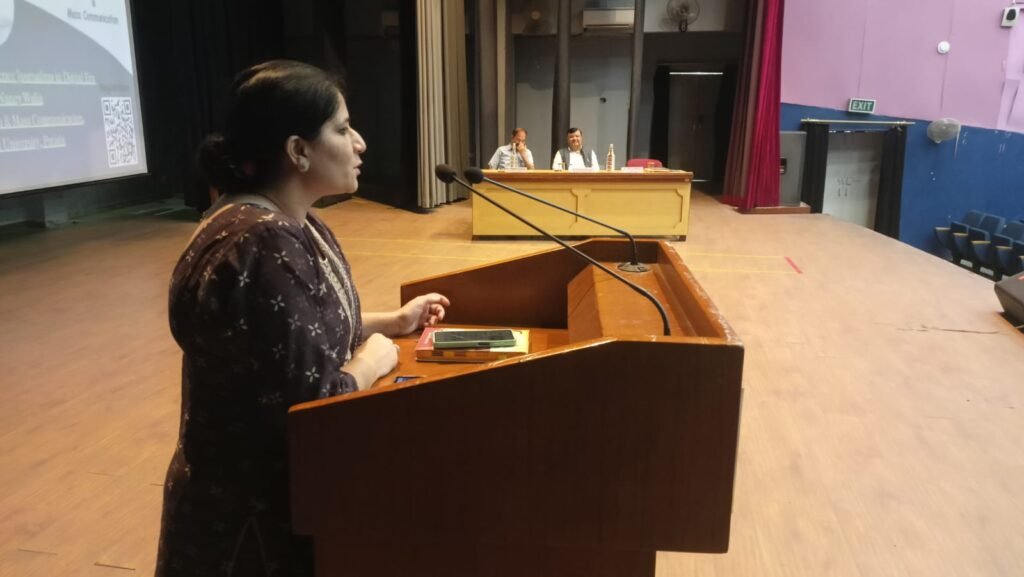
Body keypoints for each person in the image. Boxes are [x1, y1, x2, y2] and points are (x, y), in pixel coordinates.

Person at [155, 60, 449, 577]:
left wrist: (392, 322)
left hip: (267, 504)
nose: (360, 143)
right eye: (342, 129)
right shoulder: (262, 242)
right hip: (249, 527)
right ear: (298, 150)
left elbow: (297, 332)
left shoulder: (286, 222)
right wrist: (372, 361)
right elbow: (313, 404)